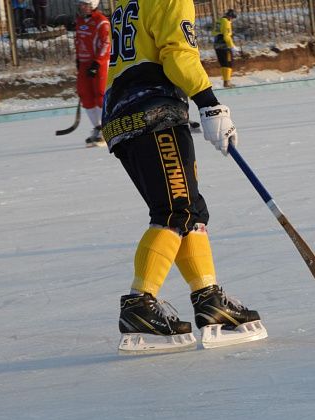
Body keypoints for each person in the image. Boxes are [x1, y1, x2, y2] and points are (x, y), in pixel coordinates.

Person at [102, 0, 267, 353]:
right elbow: (178, 54)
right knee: (176, 211)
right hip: (154, 114)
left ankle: (208, 298)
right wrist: (208, 102)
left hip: (121, 116)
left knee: (187, 209)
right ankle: (139, 304)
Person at [75, 0, 110, 147]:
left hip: (98, 63)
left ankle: (106, 129)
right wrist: (78, 58)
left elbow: (106, 43)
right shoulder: (80, 21)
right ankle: (97, 127)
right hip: (84, 63)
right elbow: (78, 41)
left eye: (85, 4)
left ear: (93, 4)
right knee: (85, 94)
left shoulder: (102, 22)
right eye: (81, 4)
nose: (82, 7)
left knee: (100, 95)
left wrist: (97, 62)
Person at [212, 9, 238, 88]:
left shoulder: (219, 21)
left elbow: (213, 32)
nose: (232, 20)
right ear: (230, 17)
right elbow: (227, 36)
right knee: (228, 63)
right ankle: (227, 82)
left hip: (216, 44)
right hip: (224, 46)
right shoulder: (226, 22)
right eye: (233, 18)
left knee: (223, 63)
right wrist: (232, 46)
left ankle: (225, 82)